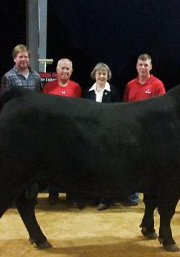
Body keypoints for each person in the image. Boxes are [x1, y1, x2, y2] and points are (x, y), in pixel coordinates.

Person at [122, 53, 166, 206]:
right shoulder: (130, 85)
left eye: (145, 65)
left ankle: (152, 198)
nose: (142, 68)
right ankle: (132, 197)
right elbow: (125, 107)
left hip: (150, 133)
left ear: (151, 66)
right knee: (132, 163)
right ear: (136, 66)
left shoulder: (157, 84)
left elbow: (162, 109)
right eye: (140, 65)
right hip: (133, 132)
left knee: (151, 165)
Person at [43, 58, 82, 204]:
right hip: (53, 133)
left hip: (70, 133)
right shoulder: (48, 87)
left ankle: (71, 195)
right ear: (57, 70)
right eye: (62, 68)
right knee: (53, 164)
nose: (65, 71)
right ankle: (53, 195)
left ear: (71, 71)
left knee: (70, 165)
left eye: (67, 69)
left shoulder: (76, 87)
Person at [83, 62, 121, 210]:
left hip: (108, 135)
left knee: (108, 167)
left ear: (108, 75)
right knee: (93, 166)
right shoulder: (88, 91)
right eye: (99, 73)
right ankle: (94, 196)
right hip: (91, 134)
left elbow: (118, 112)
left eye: (104, 74)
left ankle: (107, 199)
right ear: (95, 75)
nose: (101, 76)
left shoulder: (114, 91)